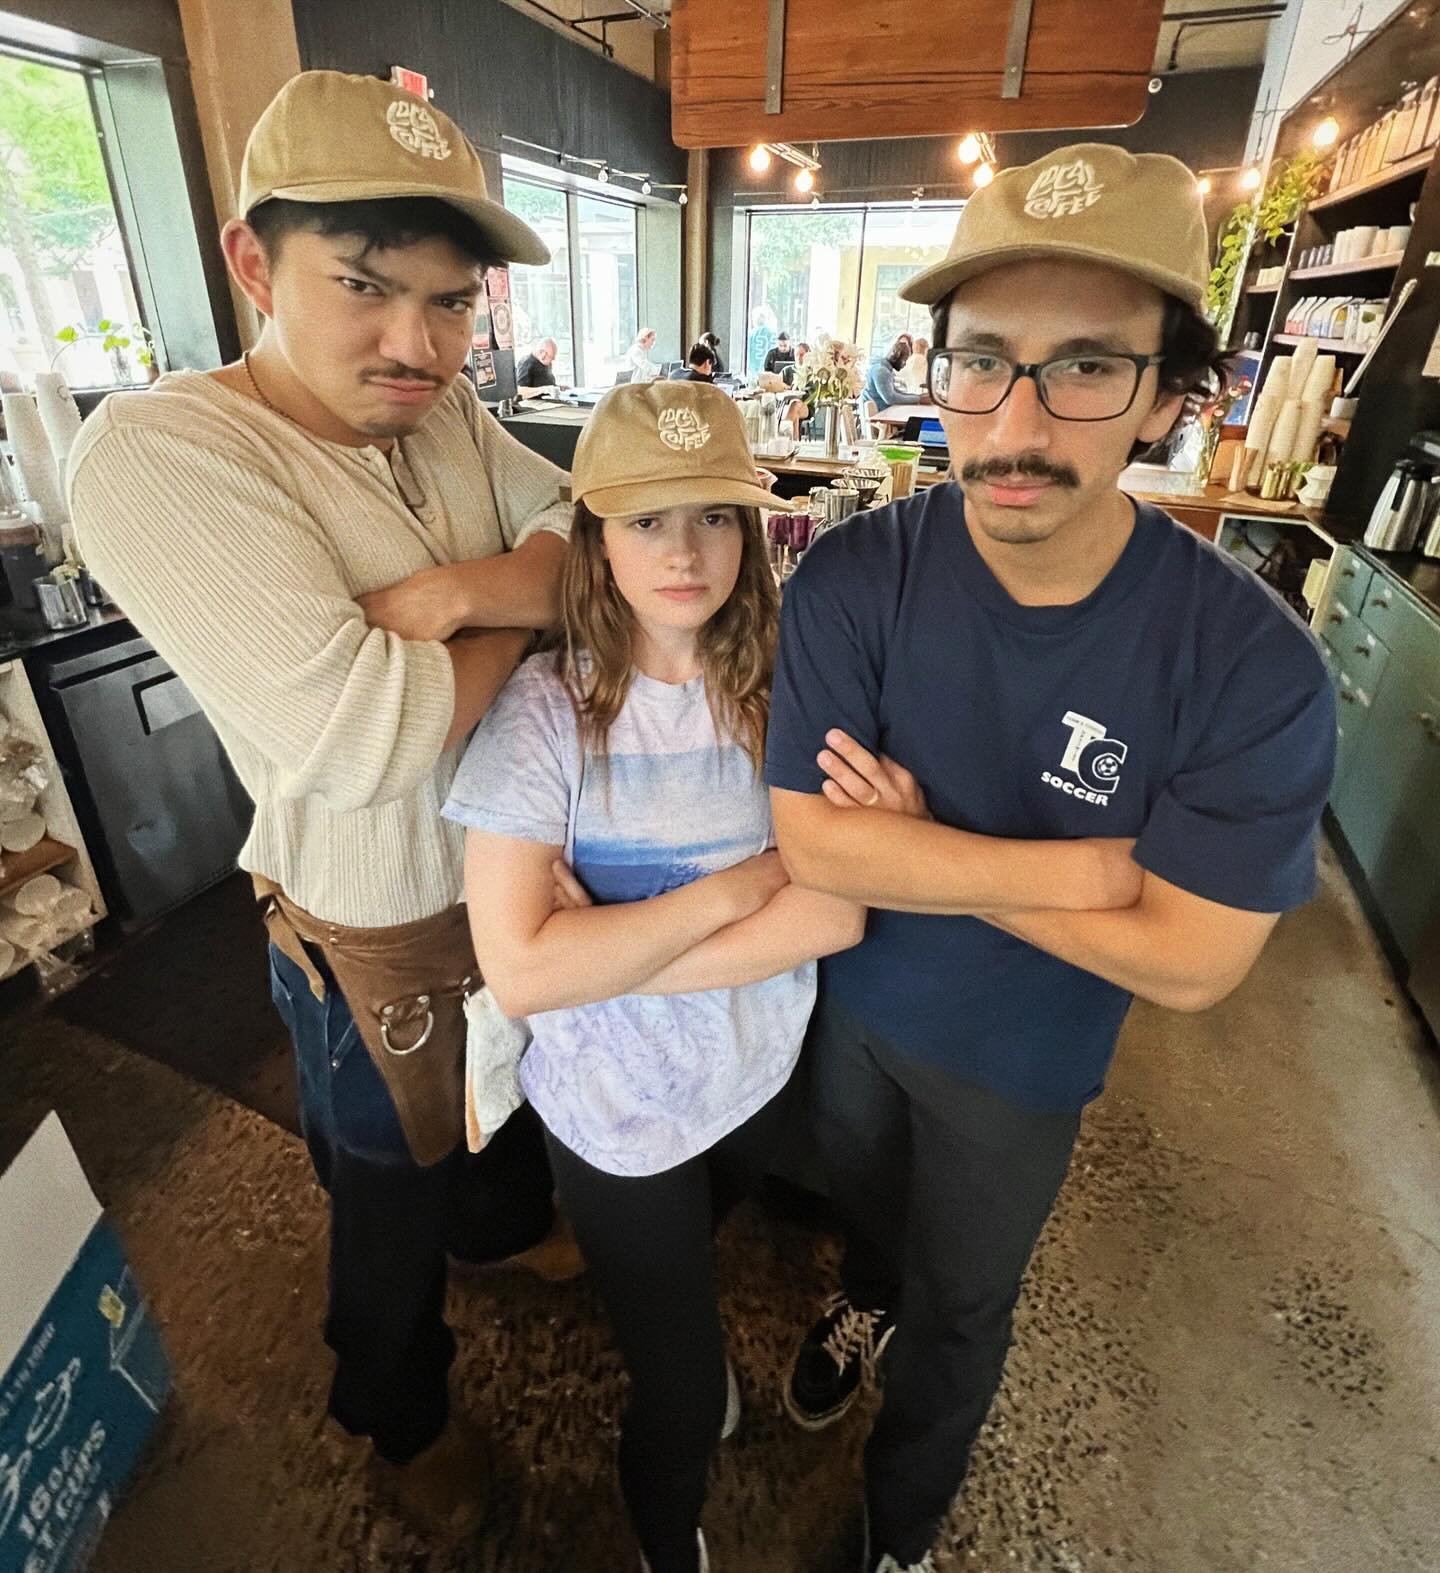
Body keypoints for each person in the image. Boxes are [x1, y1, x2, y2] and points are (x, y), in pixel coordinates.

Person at [764, 143, 1336, 1572]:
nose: (1016, 421)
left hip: (1021, 1064)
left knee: (965, 1304)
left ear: (1165, 394)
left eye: (1083, 367)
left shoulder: (1250, 665)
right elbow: (811, 839)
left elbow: (1197, 961)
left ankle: (901, 1525)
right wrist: (1083, 872)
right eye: (981, 363)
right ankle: (865, 1294)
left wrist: (917, 848)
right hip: (851, 1007)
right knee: (866, 1214)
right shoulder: (853, 573)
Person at [66, 71, 581, 1540]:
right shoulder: (167, 451)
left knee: (502, 1116)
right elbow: (366, 735)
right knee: (381, 1190)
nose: (415, 342)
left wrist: (455, 594)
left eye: (451, 302)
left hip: (510, 877)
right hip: (371, 920)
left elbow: (582, 525)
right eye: (363, 285)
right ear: (251, 261)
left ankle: (501, 1232)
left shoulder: (442, 411)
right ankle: (398, 1411)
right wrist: (519, 615)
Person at [443, 380, 864, 1573]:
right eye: (645, 520)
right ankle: (658, 1542)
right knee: (678, 1392)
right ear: (595, 539)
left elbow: (837, 911)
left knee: (714, 1230)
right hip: (619, 1118)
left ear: (753, 530)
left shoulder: (788, 689)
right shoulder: (543, 716)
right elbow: (523, 970)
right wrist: (742, 887)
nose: (684, 551)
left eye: (714, 516)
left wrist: (620, 948)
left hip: (756, 1073)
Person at [862, 334, 925, 412]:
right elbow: (890, 398)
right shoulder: (882, 371)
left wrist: (917, 397)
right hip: (879, 417)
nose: (904, 364)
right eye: (904, 360)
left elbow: (895, 392)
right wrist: (919, 399)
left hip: (883, 413)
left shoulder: (886, 370)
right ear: (896, 357)